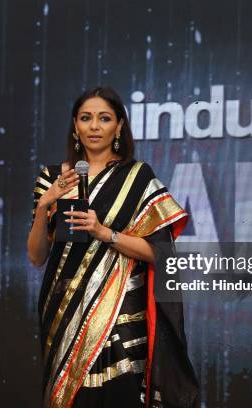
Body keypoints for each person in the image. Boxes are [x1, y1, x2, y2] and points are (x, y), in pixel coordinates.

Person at [27, 87, 199, 408]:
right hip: (63, 310)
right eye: (86, 118)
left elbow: (160, 255)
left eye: (104, 118)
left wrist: (104, 232)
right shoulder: (52, 177)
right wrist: (44, 207)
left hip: (120, 311)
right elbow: (37, 256)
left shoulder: (137, 177)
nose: (94, 126)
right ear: (75, 126)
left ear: (118, 126)